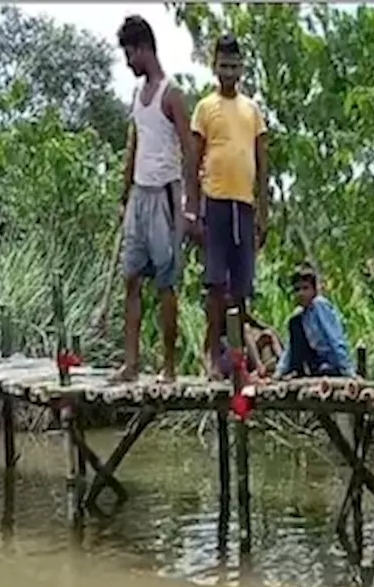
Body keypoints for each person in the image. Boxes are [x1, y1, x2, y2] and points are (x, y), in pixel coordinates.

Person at [112, 15, 200, 382]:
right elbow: (135, 144)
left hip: (166, 195)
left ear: (144, 49)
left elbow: (189, 148)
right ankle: (131, 365)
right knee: (131, 278)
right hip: (139, 195)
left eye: (130, 54)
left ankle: (168, 367)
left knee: (166, 282)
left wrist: (190, 202)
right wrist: (124, 192)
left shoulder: (172, 93)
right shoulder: (137, 96)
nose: (129, 62)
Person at [191, 34, 269, 380]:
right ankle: (211, 355)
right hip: (215, 202)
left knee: (240, 290)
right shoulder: (205, 108)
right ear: (214, 67)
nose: (229, 71)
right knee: (214, 285)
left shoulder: (252, 110)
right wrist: (191, 211)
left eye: (234, 66)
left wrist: (264, 213)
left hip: (245, 205)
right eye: (223, 65)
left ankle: (237, 359)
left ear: (242, 69)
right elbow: (193, 159)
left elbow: (263, 165)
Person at [275, 263, 354, 379]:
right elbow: (290, 348)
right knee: (294, 322)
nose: (301, 293)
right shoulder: (300, 315)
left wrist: (348, 370)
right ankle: (296, 371)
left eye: (305, 288)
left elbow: (335, 339)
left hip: (330, 363)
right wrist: (279, 371)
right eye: (297, 290)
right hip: (314, 363)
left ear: (314, 290)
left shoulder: (319, 305)